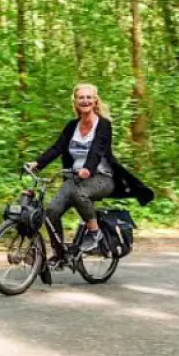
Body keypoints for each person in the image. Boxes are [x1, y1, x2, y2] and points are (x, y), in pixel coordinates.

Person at [27, 83, 153, 264]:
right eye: (81, 98)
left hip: (101, 178)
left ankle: (95, 234)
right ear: (76, 102)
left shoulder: (103, 125)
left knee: (80, 193)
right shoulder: (72, 126)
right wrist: (38, 163)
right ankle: (60, 254)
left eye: (89, 97)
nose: (85, 101)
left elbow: (97, 150)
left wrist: (88, 168)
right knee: (52, 212)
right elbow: (57, 148)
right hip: (75, 178)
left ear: (95, 101)